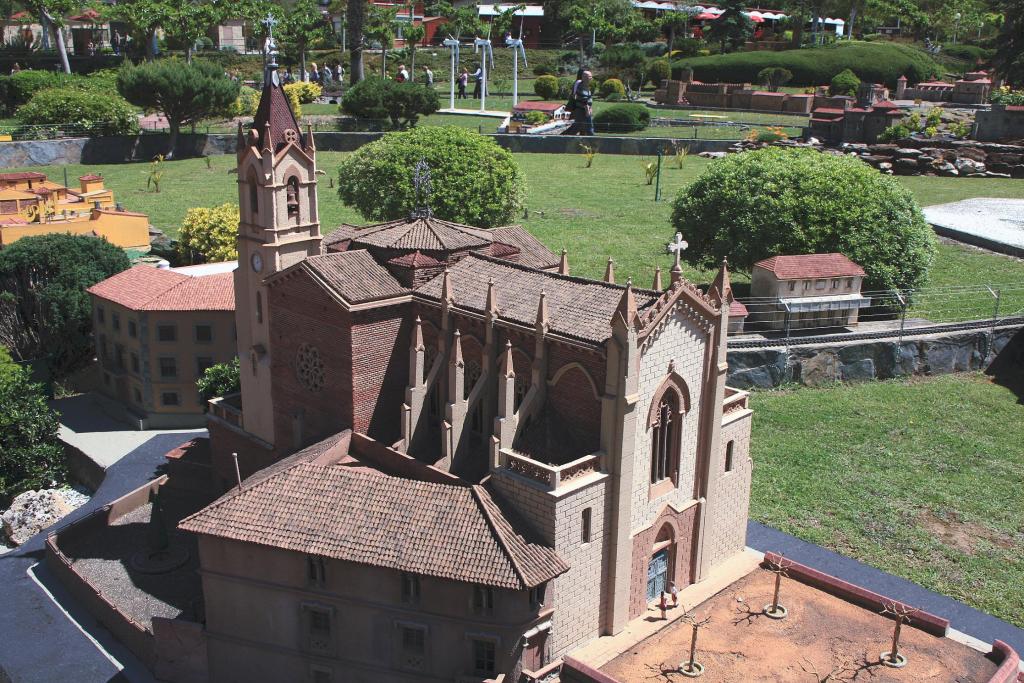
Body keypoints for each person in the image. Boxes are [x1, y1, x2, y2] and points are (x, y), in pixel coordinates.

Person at [562, 69, 594, 136]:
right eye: (590, 76)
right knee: (586, 128)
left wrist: (590, 107)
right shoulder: (580, 84)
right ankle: (563, 138)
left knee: (579, 127)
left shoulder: (585, 85)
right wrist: (587, 110)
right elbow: (583, 99)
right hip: (582, 110)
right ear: (583, 77)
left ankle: (564, 137)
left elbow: (587, 98)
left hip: (584, 110)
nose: (591, 78)